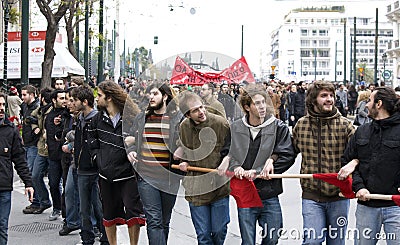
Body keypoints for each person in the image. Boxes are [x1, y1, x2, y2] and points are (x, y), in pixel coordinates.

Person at [221, 84, 295, 244]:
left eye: (263, 102)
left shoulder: (278, 127)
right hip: (246, 192)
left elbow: (288, 154)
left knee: (273, 236)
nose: (262, 107)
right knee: (248, 241)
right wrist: (236, 167)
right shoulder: (236, 128)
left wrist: (266, 165)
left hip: (269, 191)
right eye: (257, 103)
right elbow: (228, 152)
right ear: (247, 107)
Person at [292, 81, 356, 244]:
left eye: (331, 95)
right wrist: (271, 162)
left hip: (339, 196)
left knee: (336, 242)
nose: (329, 99)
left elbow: (361, 154)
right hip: (311, 195)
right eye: (324, 96)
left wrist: (354, 164)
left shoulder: (345, 125)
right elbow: (288, 152)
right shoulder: (301, 125)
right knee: (312, 241)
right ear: (313, 100)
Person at [88, 81, 145, 245]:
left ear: (109, 97)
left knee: (133, 212)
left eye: (99, 95)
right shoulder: (96, 119)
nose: (96, 98)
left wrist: (135, 143)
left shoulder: (132, 117)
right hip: (105, 174)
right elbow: (92, 142)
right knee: (109, 213)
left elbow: (143, 139)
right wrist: (97, 159)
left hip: (128, 174)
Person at [126, 82, 183, 245]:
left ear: (165, 96)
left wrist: (182, 150)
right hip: (147, 177)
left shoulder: (177, 119)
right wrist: (131, 149)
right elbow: (130, 137)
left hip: (169, 178)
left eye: (155, 94)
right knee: (154, 221)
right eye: (149, 94)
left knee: (164, 221)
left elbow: (189, 140)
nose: (150, 97)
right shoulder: (142, 117)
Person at [342, 87, 400, 244]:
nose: (366, 105)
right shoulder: (362, 131)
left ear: (379, 104)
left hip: (396, 206)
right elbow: (347, 161)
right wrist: (359, 187)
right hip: (366, 205)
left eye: (369, 101)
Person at [177, 91, 230, 245]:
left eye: (201, 107)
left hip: (218, 187)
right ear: (187, 115)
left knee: (219, 230)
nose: (201, 112)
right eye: (195, 110)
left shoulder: (221, 124)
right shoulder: (184, 127)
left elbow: (235, 149)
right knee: (203, 235)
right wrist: (185, 162)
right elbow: (185, 148)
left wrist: (227, 160)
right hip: (196, 188)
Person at [72, 86, 108, 245]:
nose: (71, 103)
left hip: (95, 170)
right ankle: (87, 238)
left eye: (74, 100)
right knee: (83, 209)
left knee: (99, 208)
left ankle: (106, 237)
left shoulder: (97, 119)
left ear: (85, 102)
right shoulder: (79, 119)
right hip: (81, 169)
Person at [0, 92, 34, 245]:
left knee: (2, 227)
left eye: (2, 105)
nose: (1, 108)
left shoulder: (10, 130)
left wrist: (28, 183)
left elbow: (19, 159)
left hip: (3, 186)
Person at [20, 85, 41, 214]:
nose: (22, 98)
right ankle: (36, 200)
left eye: (24, 95)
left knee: (32, 174)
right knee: (30, 173)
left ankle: (36, 201)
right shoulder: (25, 106)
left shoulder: (36, 107)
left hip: (33, 143)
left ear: (32, 95)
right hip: (27, 142)